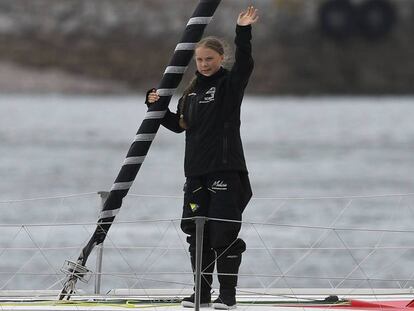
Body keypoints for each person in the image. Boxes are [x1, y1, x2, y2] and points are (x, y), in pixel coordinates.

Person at [146, 6, 259, 310]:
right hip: (195, 175)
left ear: (221, 59)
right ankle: (201, 295)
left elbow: (246, 63)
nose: (204, 64)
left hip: (227, 172)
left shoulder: (228, 87)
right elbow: (179, 126)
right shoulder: (190, 95)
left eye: (210, 59)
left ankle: (228, 297)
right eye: (199, 60)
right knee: (197, 236)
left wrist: (243, 30)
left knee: (223, 235)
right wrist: (154, 105)